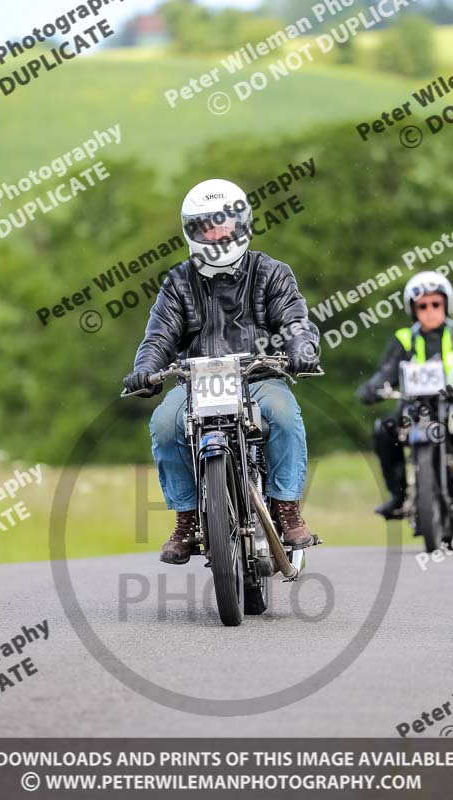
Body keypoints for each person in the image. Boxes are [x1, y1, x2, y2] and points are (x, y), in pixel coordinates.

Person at [123, 178, 321, 564]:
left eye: (225, 223)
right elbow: (159, 335)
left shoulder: (272, 272)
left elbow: (295, 320)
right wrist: (144, 370)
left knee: (283, 415)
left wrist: (302, 347)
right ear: (193, 232)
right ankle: (189, 519)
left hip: (259, 377)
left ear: (242, 223)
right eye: (207, 226)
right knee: (165, 422)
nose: (218, 232)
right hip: (197, 383)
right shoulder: (178, 282)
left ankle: (286, 508)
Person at [357, 271, 453, 519]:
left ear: (446, 304)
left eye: (435, 304)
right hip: (417, 406)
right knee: (384, 430)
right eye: (423, 305)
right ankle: (398, 495)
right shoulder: (404, 338)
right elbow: (386, 371)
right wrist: (373, 387)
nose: (430, 310)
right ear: (414, 309)